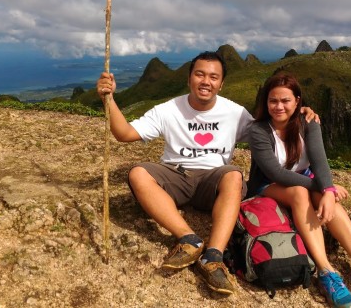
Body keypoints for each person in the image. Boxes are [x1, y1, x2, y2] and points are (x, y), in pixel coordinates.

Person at [97, 51, 317, 295]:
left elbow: (269, 131)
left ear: (221, 84)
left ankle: (213, 255)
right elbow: (124, 134)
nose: (206, 81)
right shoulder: (168, 110)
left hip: (214, 180)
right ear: (189, 77)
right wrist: (109, 100)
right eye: (200, 74)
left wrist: (300, 113)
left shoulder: (235, 113)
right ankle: (189, 239)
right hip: (175, 175)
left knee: (233, 175)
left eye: (213, 77)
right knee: (137, 172)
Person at [247, 72, 351, 308]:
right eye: (272, 100)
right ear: (265, 103)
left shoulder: (309, 123)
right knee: (301, 192)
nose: (278, 106)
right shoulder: (258, 130)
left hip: (305, 178)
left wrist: (327, 190)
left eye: (285, 100)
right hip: (268, 185)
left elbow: (319, 160)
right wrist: (325, 187)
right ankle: (326, 271)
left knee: (325, 197)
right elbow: (276, 173)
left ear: (297, 101)